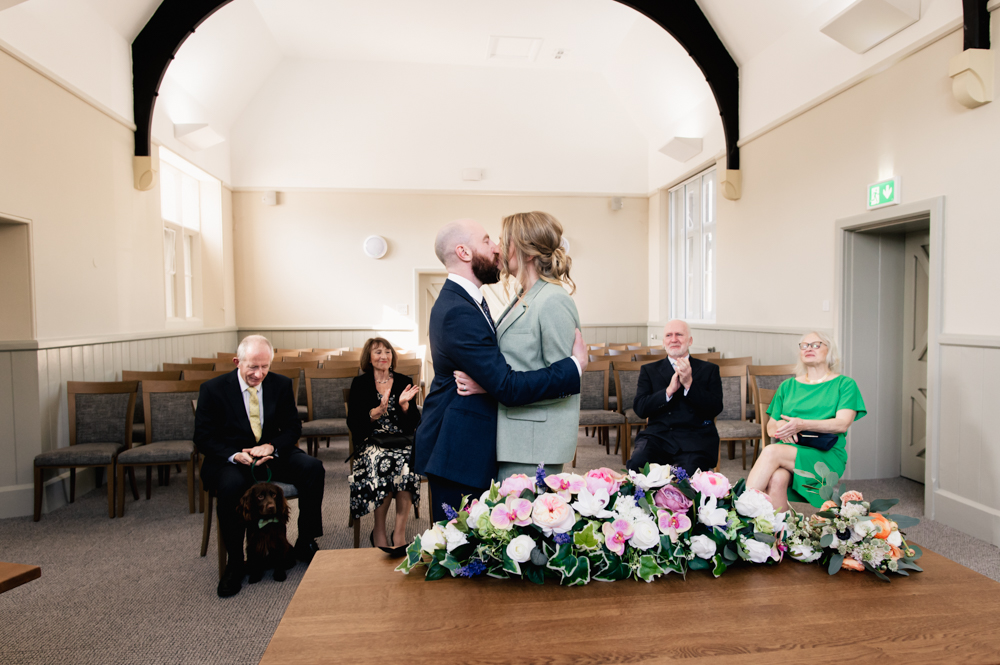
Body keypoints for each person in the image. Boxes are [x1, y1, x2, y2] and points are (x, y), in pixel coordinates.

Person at [415, 218, 589, 522]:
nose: (495, 248)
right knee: (459, 545)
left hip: (521, 441)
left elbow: (505, 377)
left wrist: (573, 368)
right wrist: (495, 383)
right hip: (460, 447)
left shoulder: (547, 299)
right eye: (487, 240)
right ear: (464, 252)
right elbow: (504, 380)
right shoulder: (459, 308)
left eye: (499, 240)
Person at [194, 335, 325, 598]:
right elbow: (203, 438)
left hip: (270, 455)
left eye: (265, 367)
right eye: (253, 367)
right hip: (232, 459)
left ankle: (305, 541)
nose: (259, 373)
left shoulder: (280, 384)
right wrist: (234, 455)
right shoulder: (213, 389)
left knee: (313, 468)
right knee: (231, 486)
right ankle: (234, 562)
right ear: (237, 362)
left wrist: (272, 447)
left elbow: (292, 427)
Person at [454, 211, 580, 480]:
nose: (497, 248)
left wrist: (490, 388)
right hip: (514, 440)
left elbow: (561, 385)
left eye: (504, 241)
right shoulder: (525, 296)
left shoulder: (553, 300)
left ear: (529, 252)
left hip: (534, 446)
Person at [745, 331, 866, 510]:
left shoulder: (845, 384)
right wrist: (781, 425)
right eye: (804, 345)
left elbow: (842, 423)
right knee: (777, 478)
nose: (809, 348)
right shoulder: (787, 386)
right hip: (789, 449)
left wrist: (802, 424)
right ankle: (780, 532)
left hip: (826, 454)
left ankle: (740, 508)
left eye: (816, 344)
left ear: (829, 351)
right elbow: (771, 426)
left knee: (771, 452)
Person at [347, 337, 421, 553]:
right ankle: (378, 530)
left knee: (409, 461)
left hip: (400, 440)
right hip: (371, 442)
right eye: (378, 352)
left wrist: (405, 407)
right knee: (384, 462)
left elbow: (414, 424)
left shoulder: (403, 381)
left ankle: (399, 533)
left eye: (388, 352)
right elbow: (353, 423)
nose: (384, 356)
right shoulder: (360, 384)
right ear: (369, 358)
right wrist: (374, 414)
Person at [625, 320, 724, 476]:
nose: (674, 339)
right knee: (636, 466)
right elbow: (641, 409)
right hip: (658, 438)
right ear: (664, 342)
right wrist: (668, 391)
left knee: (686, 478)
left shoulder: (709, 370)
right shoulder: (649, 370)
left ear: (690, 340)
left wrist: (690, 385)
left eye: (679, 334)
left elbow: (715, 407)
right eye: (669, 335)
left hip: (695, 440)